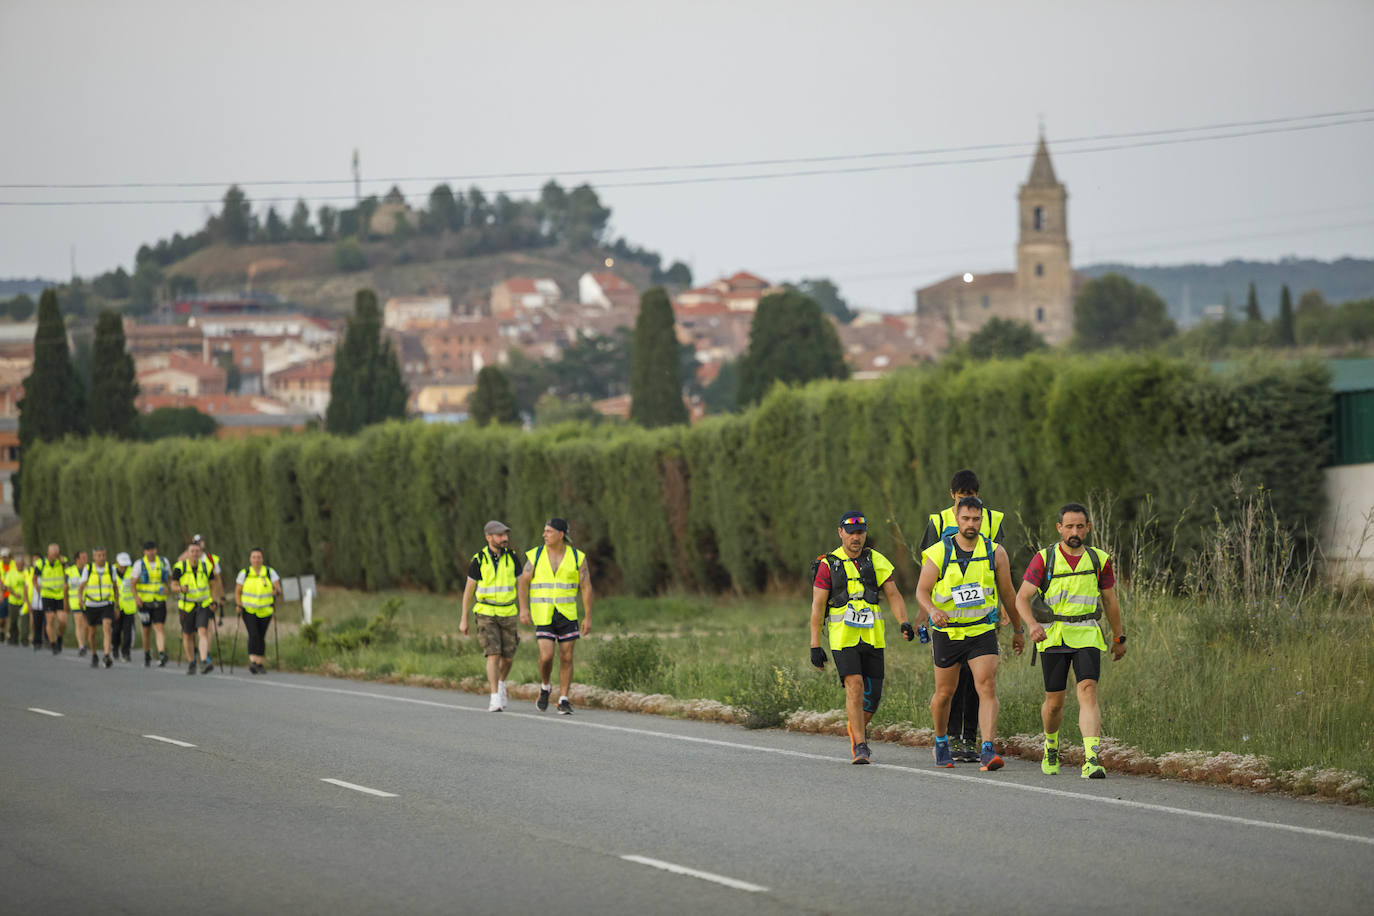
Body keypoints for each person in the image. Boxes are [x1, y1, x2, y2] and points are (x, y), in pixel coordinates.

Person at [1014, 502, 1127, 779]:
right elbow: (1021, 598)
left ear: (1088, 528)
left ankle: (1091, 760)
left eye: (1080, 526)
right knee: (1054, 703)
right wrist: (1031, 626)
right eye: (1069, 526)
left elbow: (1110, 601)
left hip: (1087, 632)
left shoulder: (1099, 559)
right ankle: (1051, 746)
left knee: (1087, 690)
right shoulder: (1045, 558)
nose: (1074, 531)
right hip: (1053, 635)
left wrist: (1118, 636)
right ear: (1059, 528)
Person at [919, 469, 1023, 763]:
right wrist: (930, 612)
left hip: (981, 627)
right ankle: (944, 738)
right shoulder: (939, 532)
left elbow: (1007, 589)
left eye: (975, 517)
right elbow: (923, 586)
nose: (971, 523)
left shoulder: (994, 543)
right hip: (948, 628)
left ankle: (983, 746)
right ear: (955, 509)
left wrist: (1017, 626)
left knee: (984, 683)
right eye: (965, 517)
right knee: (946, 691)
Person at [809, 511, 915, 764]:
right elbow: (817, 606)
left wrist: (904, 622)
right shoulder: (828, 564)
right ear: (841, 532)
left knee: (874, 695)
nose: (856, 538)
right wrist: (815, 645)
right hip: (843, 637)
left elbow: (893, 594)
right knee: (854, 685)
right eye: (851, 532)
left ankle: (855, 726)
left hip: (872, 637)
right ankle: (860, 744)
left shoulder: (876, 560)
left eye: (861, 532)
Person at [517, 518, 592, 715]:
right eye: (544, 531)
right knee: (547, 655)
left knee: (567, 657)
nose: (544, 534)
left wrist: (588, 616)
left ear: (561, 534)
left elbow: (586, 587)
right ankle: (545, 686)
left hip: (567, 614)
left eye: (549, 531)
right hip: (543, 614)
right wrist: (523, 609)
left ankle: (564, 699)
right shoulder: (536, 555)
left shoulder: (577, 557)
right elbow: (523, 582)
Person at [460, 520, 525, 711]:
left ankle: (502, 682)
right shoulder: (479, 559)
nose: (505, 538)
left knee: (509, 657)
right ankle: (494, 696)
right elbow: (468, 591)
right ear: (489, 537)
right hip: (486, 612)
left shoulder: (513, 558)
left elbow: (521, 584)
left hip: (508, 612)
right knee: (493, 654)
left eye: (505, 535)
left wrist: (525, 609)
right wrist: (464, 618)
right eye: (500, 535)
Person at [171, 541, 219, 675]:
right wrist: (180, 588)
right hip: (186, 605)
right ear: (187, 553)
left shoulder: (206, 566)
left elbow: (213, 584)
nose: (194, 554)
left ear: (200, 553)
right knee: (187, 635)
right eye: (192, 551)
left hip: (203, 604)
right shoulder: (180, 567)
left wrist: (214, 600)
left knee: (202, 631)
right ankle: (191, 661)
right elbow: (173, 586)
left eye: (197, 551)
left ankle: (204, 661)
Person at [180, 534, 225, 666]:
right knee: (191, 631)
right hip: (189, 602)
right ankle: (194, 651)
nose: (198, 545)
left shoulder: (211, 559)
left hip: (206, 600)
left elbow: (217, 580)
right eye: (195, 542)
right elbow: (178, 562)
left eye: (200, 542)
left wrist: (220, 597)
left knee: (205, 628)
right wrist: (190, 549)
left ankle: (206, 654)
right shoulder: (187, 558)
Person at [235, 548, 281, 674]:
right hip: (249, 609)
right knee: (253, 634)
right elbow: (238, 591)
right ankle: (253, 661)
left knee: (261, 636)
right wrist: (238, 604)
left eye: (258, 557)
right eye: (254, 557)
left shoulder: (269, 572)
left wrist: (275, 592)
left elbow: (278, 589)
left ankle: (259, 662)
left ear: (262, 559)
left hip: (265, 610)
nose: (256, 559)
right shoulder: (244, 573)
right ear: (250, 559)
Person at [131, 541, 172, 667]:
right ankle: (147, 653)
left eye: (153, 549)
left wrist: (168, 587)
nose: (151, 552)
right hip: (144, 603)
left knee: (159, 627)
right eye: (148, 550)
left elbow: (169, 578)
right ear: (145, 552)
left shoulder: (164, 562)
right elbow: (133, 584)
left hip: (159, 601)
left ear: (156, 550)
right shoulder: (139, 564)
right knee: (146, 630)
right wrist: (137, 598)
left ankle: (161, 653)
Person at [79, 547, 118, 669]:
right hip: (91, 605)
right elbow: (81, 587)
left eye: (103, 555)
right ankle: (94, 654)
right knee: (92, 633)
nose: (102, 558)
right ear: (94, 557)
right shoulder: (88, 569)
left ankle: (107, 655)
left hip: (106, 604)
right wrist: (81, 599)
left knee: (107, 627)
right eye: (99, 555)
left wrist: (117, 605)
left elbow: (115, 587)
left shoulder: (111, 569)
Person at [33, 543, 69, 654]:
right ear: (48, 553)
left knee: (63, 621)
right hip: (47, 595)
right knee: (50, 619)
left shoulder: (62, 561)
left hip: (60, 595)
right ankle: (53, 643)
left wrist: (64, 563)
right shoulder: (41, 563)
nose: (55, 556)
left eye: (57, 554)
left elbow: (69, 573)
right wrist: (39, 590)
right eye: (54, 554)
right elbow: (34, 579)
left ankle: (59, 637)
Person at [113, 552, 138, 662]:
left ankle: (126, 652)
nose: (124, 567)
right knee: (116, 630)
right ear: (117, 563)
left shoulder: (132, 572)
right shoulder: (110, 571)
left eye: (125, 565)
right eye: (122, 565)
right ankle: (115, 648)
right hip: (115, 607)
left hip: (129, 607)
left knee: (128, 632)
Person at [68, 550, 90, 657]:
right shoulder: (70, 571)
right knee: (79, 622)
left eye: (86, 557)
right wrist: (65, 603)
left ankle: (84, 643)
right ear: (77, 559)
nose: (86, 560)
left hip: (89, 601)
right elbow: (65, 587)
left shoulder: (90, 570)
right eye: (83, 558)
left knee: (87, 626)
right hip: (75, 601)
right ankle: (81, 646)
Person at [3, 554, 28, 647]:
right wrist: (14, 594)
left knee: (25, 621)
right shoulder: (11, 573)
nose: (20, 566)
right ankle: (13, 638)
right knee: (13, 621)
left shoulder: (26, 573)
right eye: (18, 564)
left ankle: (24, 639)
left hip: (24, 602)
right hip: (13, 601)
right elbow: (7, 587)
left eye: (22, 564)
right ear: (16, 564)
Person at [0, 547, 12, 644]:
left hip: (11, 594)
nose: (4, 559)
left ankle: (9, 634)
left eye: (6, 557)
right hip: (2, 594)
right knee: (2, 617)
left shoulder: (13, 566)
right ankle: (2, 631)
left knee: (11, 616)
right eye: (3, 557)